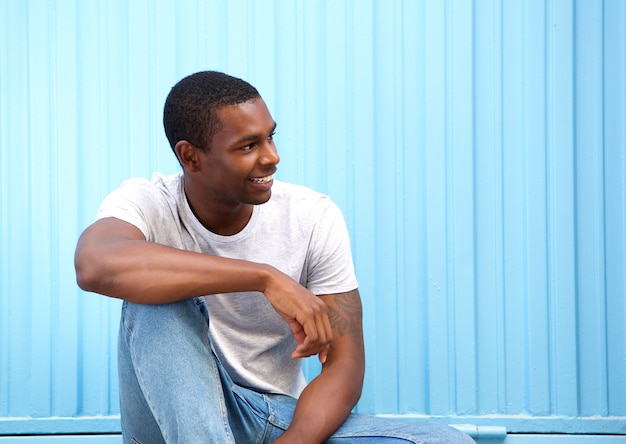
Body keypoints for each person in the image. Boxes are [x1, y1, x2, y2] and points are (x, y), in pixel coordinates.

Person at [74, 71, 474, 444]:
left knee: (448, 441)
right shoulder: (146, 202)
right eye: (248, 146)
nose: (272, 157)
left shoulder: (311, 215)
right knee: (154, 302)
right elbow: (95, 263)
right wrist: (264, 277)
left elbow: (345, 366)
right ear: (190, 156)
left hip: (277, 417)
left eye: (270, 137)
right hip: (177, 423)